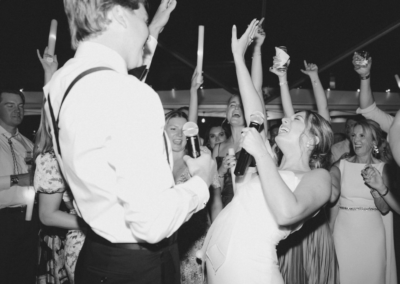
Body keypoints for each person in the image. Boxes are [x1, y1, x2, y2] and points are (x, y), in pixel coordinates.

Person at [43, 1, 216, 283]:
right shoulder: (131, 95)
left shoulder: (60, 84)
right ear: (120, 16)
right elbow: (153, 223)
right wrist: (201, 183)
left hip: (96, 259)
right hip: (139, 267)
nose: (146, 30)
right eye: (143, 19)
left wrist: (157, 24)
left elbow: (111, 98)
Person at [199, 19, 333, 284]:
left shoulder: (319, 178)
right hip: (220, 268)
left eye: (294, 120)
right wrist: (239, 57)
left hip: (251, 271)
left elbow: (287, 212)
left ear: (313, 139)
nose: (284, 119)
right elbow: (255, 110)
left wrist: (260, 154)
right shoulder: (273, 164)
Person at [274, 60, 339, 284]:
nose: (287, 121)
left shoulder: (317, 169)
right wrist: (282, 79)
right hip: (285, 238)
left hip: (311, 234)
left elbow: (321, 114)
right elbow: (290, 116)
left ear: (314, 139)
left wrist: (314, 78)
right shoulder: (287, 153)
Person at [36, 48, 86, 284]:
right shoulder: (52, 157)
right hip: (84, 242)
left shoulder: (93, 146)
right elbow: (47, 215)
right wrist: (90, 223)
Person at [330, 119, 400, 284]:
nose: (356, 139)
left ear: (374, 141)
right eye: (354, 135)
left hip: (372, 234)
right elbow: (335, 203)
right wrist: (329, 231)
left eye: (362, 135)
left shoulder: (384, 168)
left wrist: (375, 189)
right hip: (343, 233)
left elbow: (384, 209)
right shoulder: (341, 165)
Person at [164, 109, 222, 284]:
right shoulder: (154, 166)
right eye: (173, 128)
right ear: (163, 131)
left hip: (193, 242)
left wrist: (217, 238)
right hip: (162, 243)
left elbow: (215, 202)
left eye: (184, 130)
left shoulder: (200, 161)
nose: (179, 135)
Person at [214, 18, 266, 207]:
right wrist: (220, 170)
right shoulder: (218, 148)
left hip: (251, 208)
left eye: (240, 105)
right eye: (232, 106)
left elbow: (256, 89)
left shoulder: (256, 137)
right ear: (226, 116)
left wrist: (257, 48)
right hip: (224, 209)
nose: (236, 108)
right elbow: (212, 188)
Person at [0, 89, 38, 284]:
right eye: (10, 105)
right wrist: (15, 180)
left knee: (24, 275)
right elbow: (21, 179)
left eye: (20, 106)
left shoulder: (29, 144)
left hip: (27, 221)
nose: (17, 110)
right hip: (2, 221)